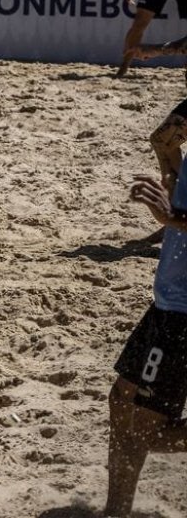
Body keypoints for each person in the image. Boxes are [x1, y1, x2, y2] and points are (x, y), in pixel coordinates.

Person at [106, 172, 187, 513]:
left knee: (144, 429)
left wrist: (172, 218)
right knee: (122, 401)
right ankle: (116, 511)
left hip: (182, 315)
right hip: (167, 302)